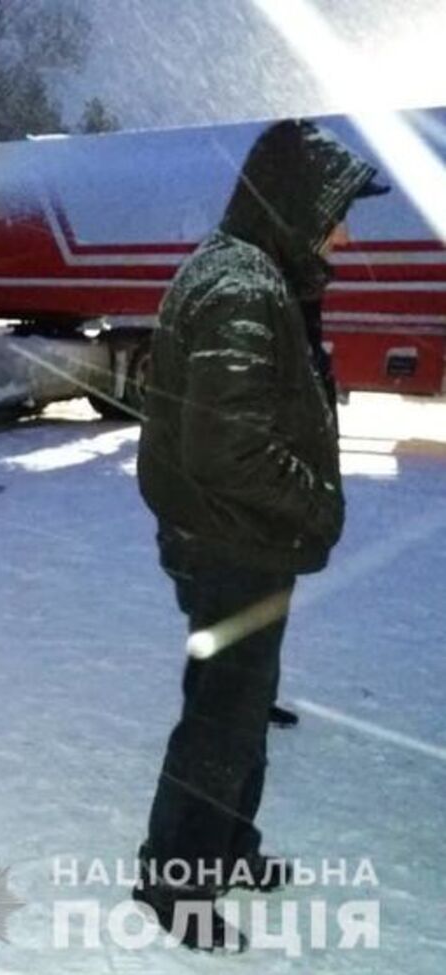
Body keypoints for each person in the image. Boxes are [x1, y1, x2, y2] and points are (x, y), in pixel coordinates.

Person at [132, 118, 389, 952]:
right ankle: (175, 883)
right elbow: (225, 444)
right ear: (291, 203)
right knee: (222, 716)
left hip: (233, 539)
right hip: (232, 543)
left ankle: (227, 845)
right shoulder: (242, 286)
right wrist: (315, 505)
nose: (344, 233)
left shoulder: (254, 271)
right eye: (334, 212)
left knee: (236, 705)